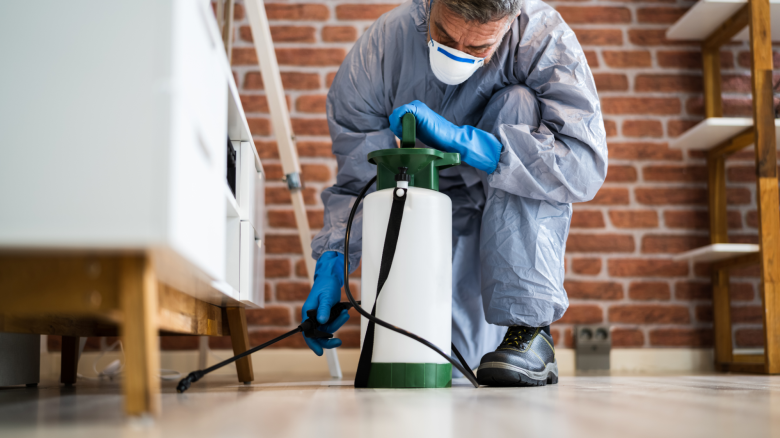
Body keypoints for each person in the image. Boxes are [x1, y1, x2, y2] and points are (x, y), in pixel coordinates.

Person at [301, 0, 607, 386]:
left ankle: (529, 332)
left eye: (479, 48)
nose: (456, 54)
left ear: (511, 20)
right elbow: (357, 176)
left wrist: (483, 148)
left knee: (518, 102)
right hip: (425, 203)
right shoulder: (381, 49)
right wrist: (333, 262)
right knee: (440, 363)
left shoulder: (542, 37)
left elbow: (583, 162)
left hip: (511, 201)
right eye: (444, 35)